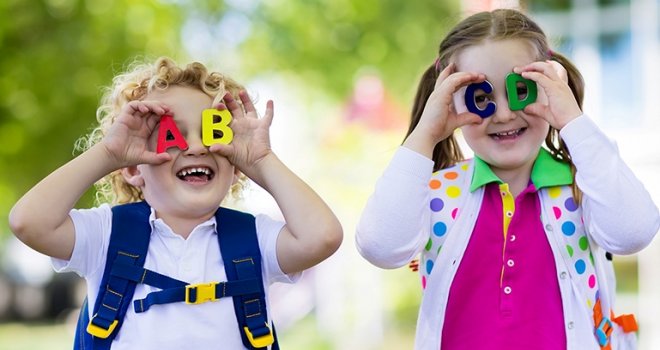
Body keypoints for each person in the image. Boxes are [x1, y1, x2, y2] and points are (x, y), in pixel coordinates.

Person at [356, 9, 659, 350]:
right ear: (448, 101)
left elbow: (635, 232)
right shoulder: (437, 193)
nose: (503, 114)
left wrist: (572, 120)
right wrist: (425, 134)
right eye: (481, 98)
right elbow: (380, 248)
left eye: (522, 91)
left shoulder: (583, 186)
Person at [9, 56, 343, 349]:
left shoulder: (254, 240)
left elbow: (323, 237)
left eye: (213, 133)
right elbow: (28, 221)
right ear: (131, 168)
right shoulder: (106, 236)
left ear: (236, 168)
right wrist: (108, 153)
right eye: (173, 135)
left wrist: (260, 160)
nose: (196, 147)